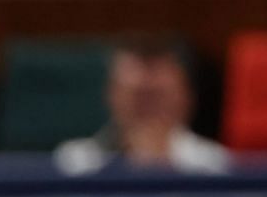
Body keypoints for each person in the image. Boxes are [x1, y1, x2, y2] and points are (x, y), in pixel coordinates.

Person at [53, 35, 231, 176]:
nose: (149, 111)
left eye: (157, 96)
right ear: (112, 95)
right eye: (139, 97)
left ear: (186, 98)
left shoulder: (214, 165)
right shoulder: (74, 164)